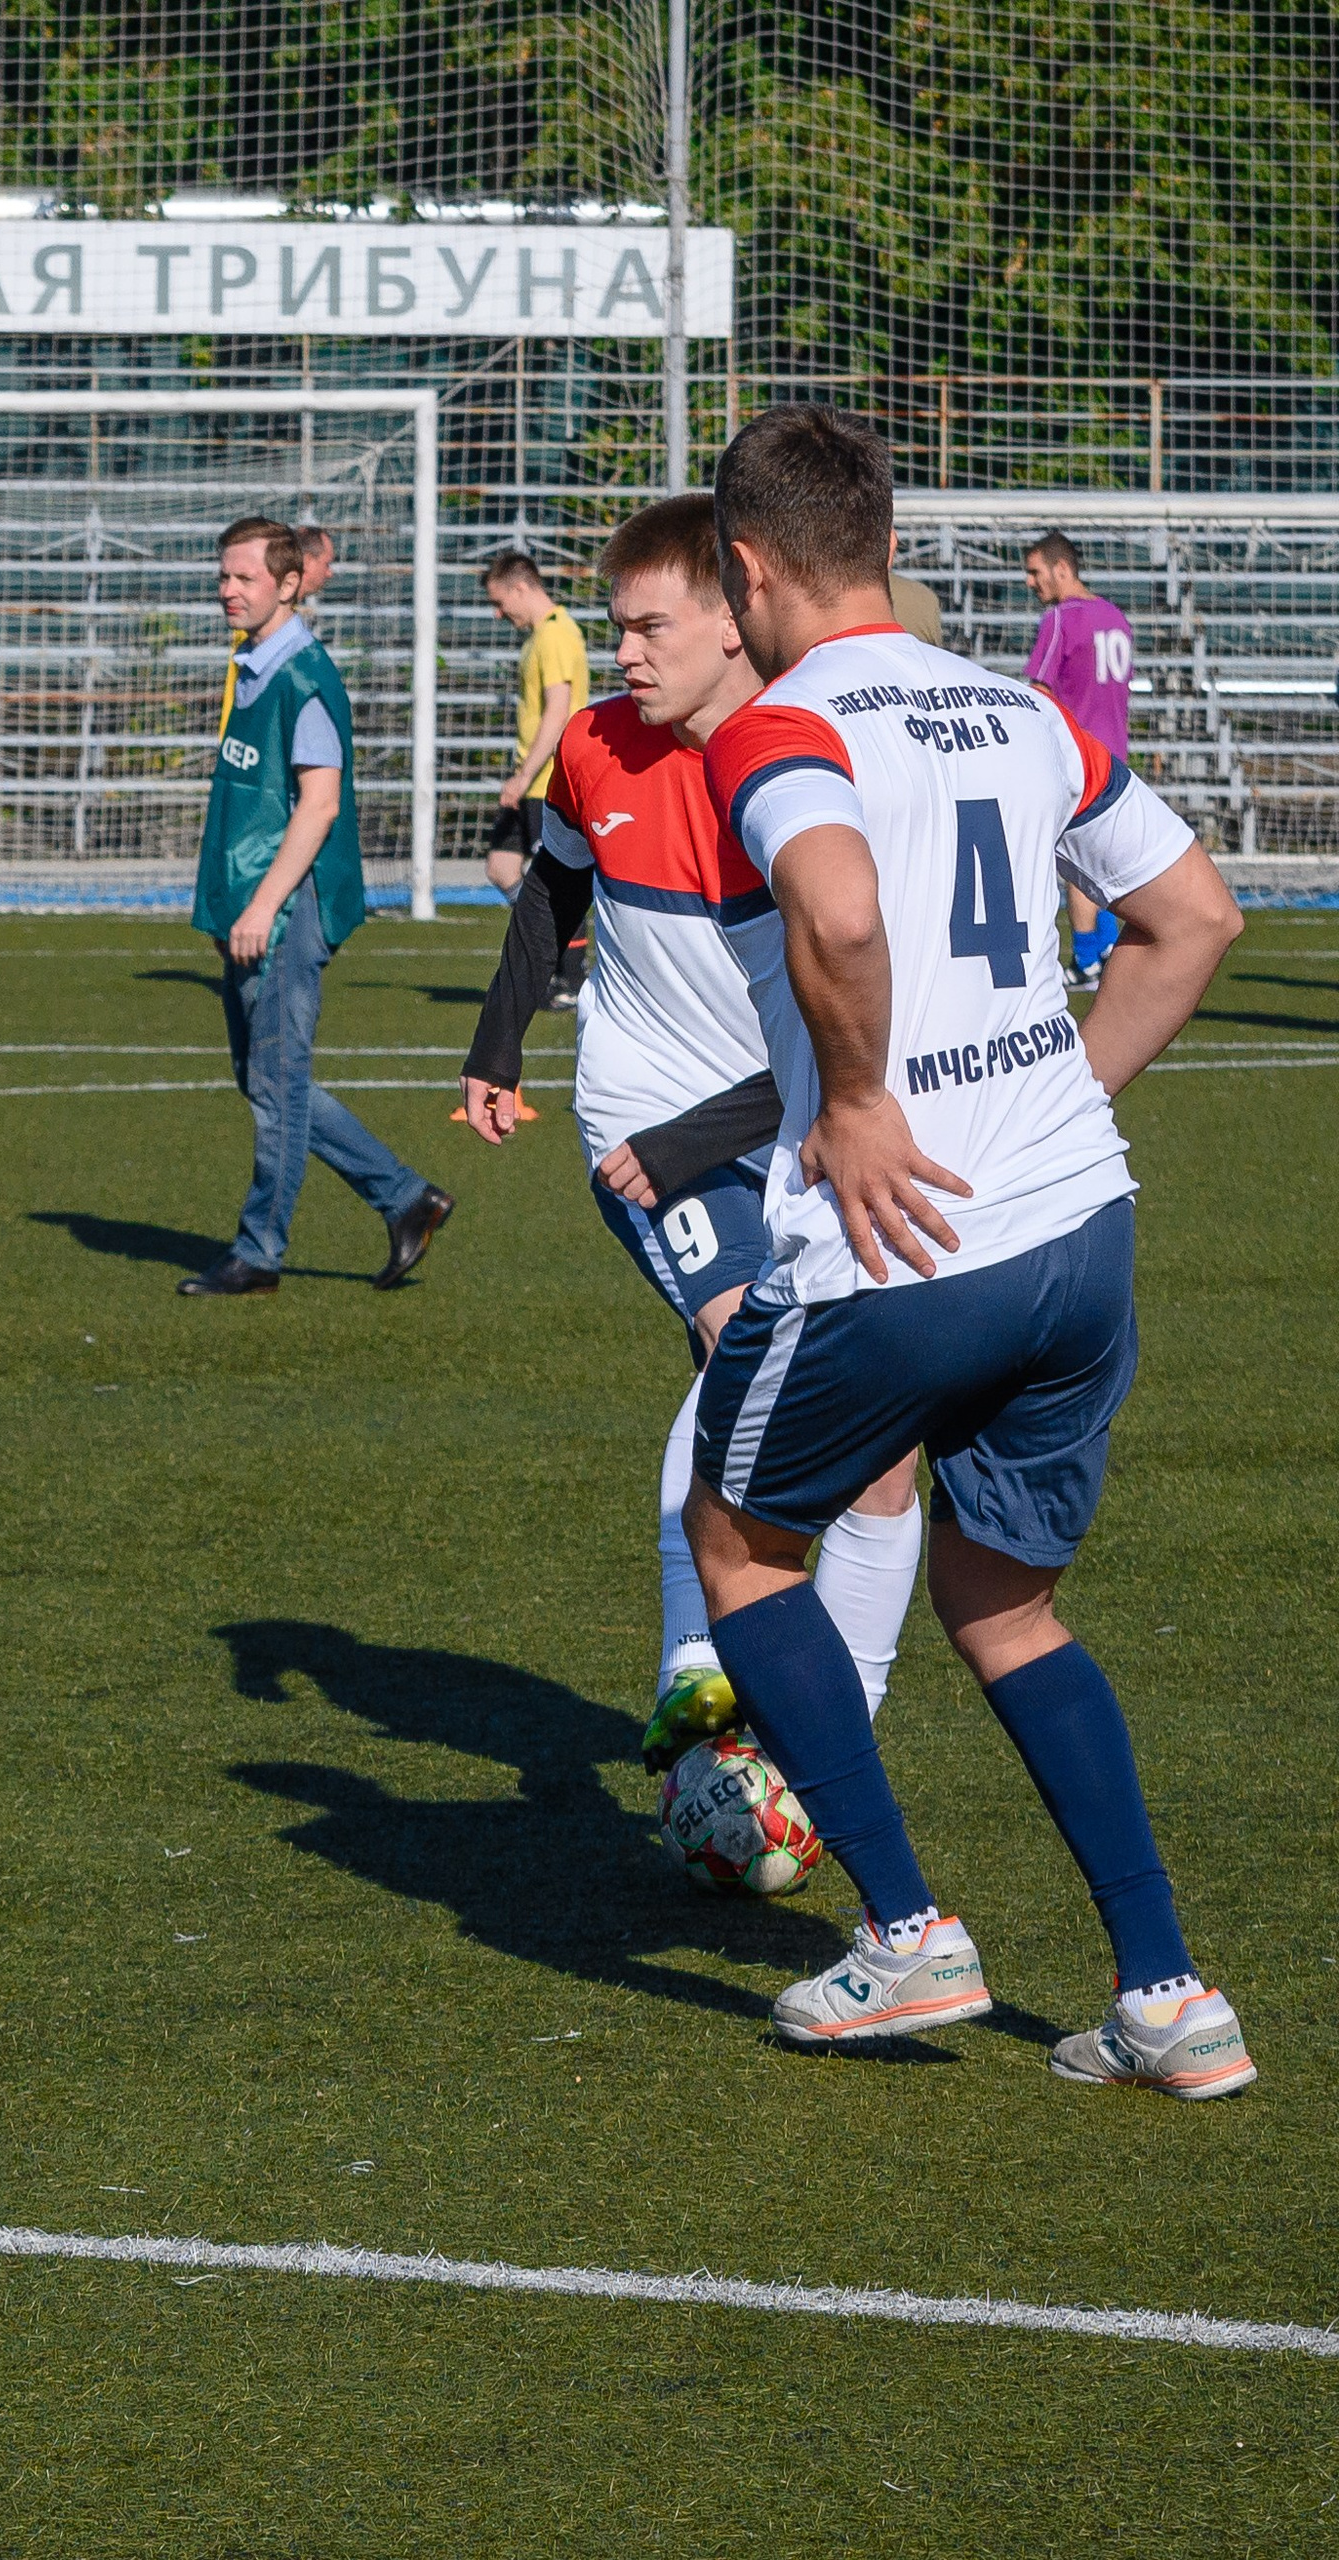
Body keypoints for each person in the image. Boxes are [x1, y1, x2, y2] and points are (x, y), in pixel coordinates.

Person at [690, 402, 1253, 2096]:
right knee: (1003, 1601)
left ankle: (910, 1937)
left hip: (910, 1242)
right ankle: (1167, 1996)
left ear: (748, 568)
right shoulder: (1017, 708)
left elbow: (843, 907)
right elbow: (1198, 917)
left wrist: (860, 1096)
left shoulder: (778, 725)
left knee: (739, 1543)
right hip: (1080, 1226)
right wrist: (1053, 1097)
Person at [460, 492, 924, 1766]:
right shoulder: (601, 745)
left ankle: (830, 1735)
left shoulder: (811, 766)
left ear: (736, 619)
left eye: (649, 627)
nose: (622, 655)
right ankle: (699, 1666)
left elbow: (847, 1037)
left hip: (794, 1121)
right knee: (742, 1352)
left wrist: (710, 1132)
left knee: (882, 1456)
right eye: (615, 629)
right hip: (642, 1123)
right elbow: (553, 882)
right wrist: (498, 1046)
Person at [181, 516, 451, 1298]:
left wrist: (264, 905)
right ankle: (406, 1198)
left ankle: (259, 1252)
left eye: (245, 578)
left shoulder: (303, 675)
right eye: (224, 575)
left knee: (275, 1084)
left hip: (289, 900)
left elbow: (319, 807)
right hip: (251, 893)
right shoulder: (256, 661)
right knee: (269, 1078)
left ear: (290, 584)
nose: (228, 590)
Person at [1023, 531, 1136, 987]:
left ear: (1061, 569)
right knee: (1102, 858)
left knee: (1074, 861)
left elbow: (1040, 690)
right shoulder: (1115, 616)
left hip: (1076, 757)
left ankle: (1087, 959)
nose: (1030, 582)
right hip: (1116, 754)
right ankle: (1107, 947)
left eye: (1035, 571)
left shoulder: (1060, 619)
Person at [483, 549, 593, 1001]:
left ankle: (570, 976)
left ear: (521, 587)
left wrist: (524, 775)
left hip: (547, 779)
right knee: (501, 866)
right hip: (533, 776)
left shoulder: (556, 635)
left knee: (556, 882)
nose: (498, 612)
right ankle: (548, 953)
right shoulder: (541, 636)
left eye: (500, 601)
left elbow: (558, 712)